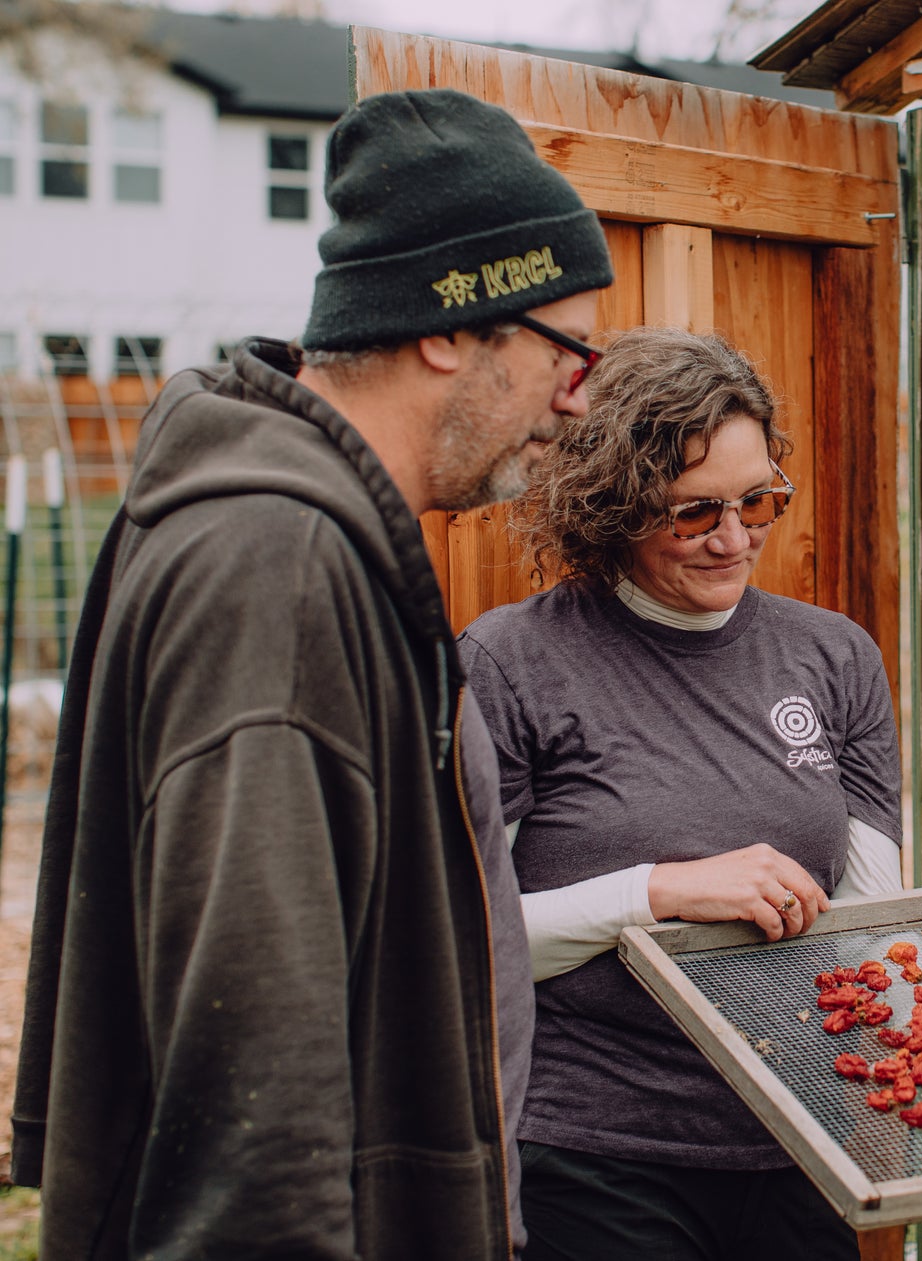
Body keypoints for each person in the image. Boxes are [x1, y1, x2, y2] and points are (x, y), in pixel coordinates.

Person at [11, 89, 613, 1259]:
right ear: (450, 327)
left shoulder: (309, 535)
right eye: (567, 349)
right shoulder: (277, 571)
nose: (577, 395)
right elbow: (254, 1076)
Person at [457, 325, 903, 1261]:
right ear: (611, 505)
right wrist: (659, 892)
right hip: (595, 1155)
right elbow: (467, 938)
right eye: (693, 513)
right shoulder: (513, 662)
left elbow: (872, 918)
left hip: (799, 1144)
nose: (735, 539)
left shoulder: (834, 656)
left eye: (758, 500)